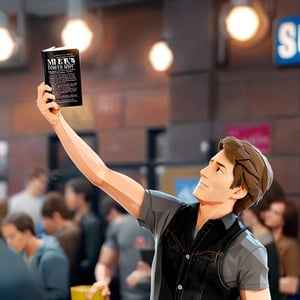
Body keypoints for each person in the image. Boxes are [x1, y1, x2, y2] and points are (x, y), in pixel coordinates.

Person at [37, 82, 274, 300]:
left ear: (240, 190)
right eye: (210, 163)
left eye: (219, 169)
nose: (204, 172)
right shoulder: (170, 213)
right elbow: (102, 175)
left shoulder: (248, 251)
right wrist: (57, 122)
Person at [95, 196, 154, 300]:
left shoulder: (118, 224)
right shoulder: (118, 225)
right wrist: (103, 282)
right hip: (130, 294)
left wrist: (152, 273)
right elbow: (104, 264)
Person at [1, 212, 70, 300]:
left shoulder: (52, 257)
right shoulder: (21, 254)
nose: (9, 242)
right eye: (6, 238)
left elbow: (60, 295)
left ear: (27, 233)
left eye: (12, 236)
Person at [64, 176, 105, 284]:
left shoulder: (91, 222)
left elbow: (91, 259)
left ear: (81, 196)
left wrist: (71, 269)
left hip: (85, 281)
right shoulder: (75, 219)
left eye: (69, 194)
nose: (66, 198)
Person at [240, 205, 281, 300]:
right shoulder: (254, 236)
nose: (242, 216)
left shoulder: (264, 240)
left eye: (245, 212)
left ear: (253, 213)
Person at [41, 190, 82, 286]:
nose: (44, 225)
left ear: (56, 216)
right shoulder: (74, 228)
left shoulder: (67, 235)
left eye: (45, 220)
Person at [264, 198, 300, 299]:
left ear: (284, 220)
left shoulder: (290, 245)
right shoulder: (264, 239)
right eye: (269, 210)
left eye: (275, 213)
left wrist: (266, 282)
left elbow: (292, 285)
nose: (268, 214)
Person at [8, 166, 50, 236]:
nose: (44, 186)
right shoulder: (15, 202)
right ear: (33, 179)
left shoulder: (45, 202)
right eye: (42, 182)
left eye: (46, 183)